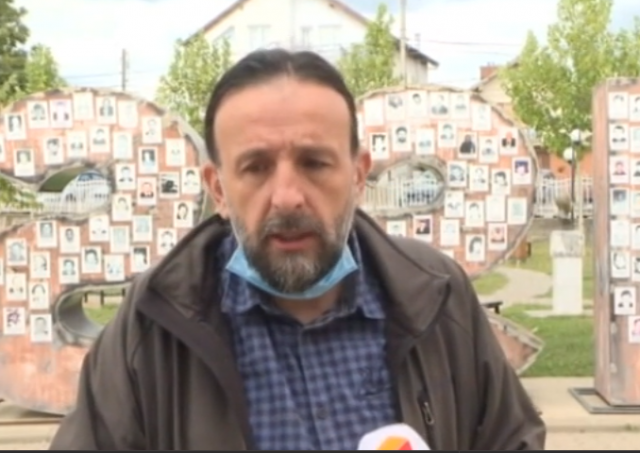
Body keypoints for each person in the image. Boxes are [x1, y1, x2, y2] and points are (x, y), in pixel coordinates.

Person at [50, 49, 544, 451]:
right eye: (256, 167)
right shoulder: (151, 324)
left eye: (314, 162)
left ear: (358, 174)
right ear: (218, 189)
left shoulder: (437, 294)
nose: (287, 197)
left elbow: (511, 439)